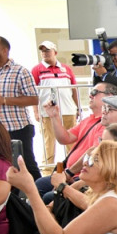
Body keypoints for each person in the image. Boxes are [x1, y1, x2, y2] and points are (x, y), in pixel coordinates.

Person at [34, 82, 117, 202]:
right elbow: (64, 138)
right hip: (70, 173)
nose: (90, 95)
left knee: (49, 196)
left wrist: (68, 173)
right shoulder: (88, 120)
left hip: (82, 176)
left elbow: (94, 153)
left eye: (94, 93)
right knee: (39, 185)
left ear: (109, 96)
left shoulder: (108, 125)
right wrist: (54, 116)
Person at [0, 35, 40, 179]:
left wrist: (4, 100)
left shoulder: (20, 71)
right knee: (0, 168)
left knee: (26, 165)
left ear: (5, 50)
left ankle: (40, 196)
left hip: (18, 128)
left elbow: (34, 98)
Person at [32, 41, 79, 172]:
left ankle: (72, 168)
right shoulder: (37, 69)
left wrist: (78, 107)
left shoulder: (66, 69)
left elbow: (74, 90)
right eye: (42, 51)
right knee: (49, 142)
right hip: (47, 112)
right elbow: (33, 92)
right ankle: (47, 172)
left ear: (55, 52)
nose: (45, 53)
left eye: (47, 50)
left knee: (71, 141)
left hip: (68, 110)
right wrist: (36, 112)